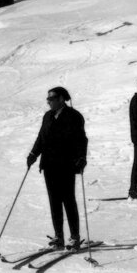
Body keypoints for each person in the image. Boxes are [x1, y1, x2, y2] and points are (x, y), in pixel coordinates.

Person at [27, 87, 88, 250]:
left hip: (67, 164)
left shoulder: (74, 116)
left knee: (68, 200)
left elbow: (82, 139)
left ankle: (74, 237)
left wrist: (82, 158)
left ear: (61, 99)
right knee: (54, 202)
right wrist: (33, 154)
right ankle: (58, 236)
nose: (48, 101)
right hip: (49, 165)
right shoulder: (47, 116)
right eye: (48, 99)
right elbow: (41, 137)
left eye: (51, 98)